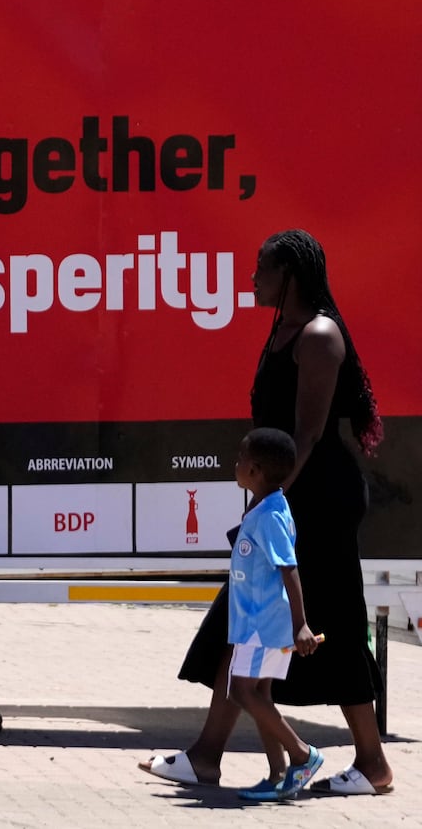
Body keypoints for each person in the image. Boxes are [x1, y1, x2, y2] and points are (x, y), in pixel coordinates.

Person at [141, 229, 393, 795]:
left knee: (338, 624)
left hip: (317, 499)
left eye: (262, 269)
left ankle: (373, 764)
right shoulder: (281, 331)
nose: (252, 279)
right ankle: (207, 755)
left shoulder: (319, 336)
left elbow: (305, 436)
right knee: (242, 619)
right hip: (286, 496)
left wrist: (266, 503)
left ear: (290, 276)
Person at [225, 427, 322, 801]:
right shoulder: (266, 508)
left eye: (241, 459)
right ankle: (278, 773)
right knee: (260, 693)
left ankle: (302, 755)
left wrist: (301, 625)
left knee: (242, 691)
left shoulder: (270, 516)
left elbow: (289, 568)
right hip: (257, 623)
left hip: (262, 625)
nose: (236, 464)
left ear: (257, 471)